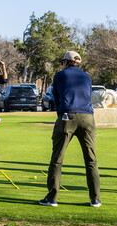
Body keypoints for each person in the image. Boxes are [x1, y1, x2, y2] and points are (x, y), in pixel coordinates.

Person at [39, 51, 101, 207]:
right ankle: (95, 199)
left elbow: (56, 98)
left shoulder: (60, 75)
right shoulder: (86, 77)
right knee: (91, 160)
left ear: (66, 62)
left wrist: (61, 113)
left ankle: (52, 198)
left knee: (57, 160)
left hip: (67, 117)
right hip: (88, 118)